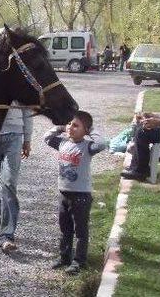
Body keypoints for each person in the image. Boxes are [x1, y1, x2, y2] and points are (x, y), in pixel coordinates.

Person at [44, 111, 108, 275]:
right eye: (70, 124)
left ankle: (79, 261)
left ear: (85, 130)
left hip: (81, 196)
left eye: (76, 125)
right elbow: (46, 138)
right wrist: (58, 128)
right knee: (65, 228)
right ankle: (65, 257)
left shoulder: (87, 147)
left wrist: (91, 129)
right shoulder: (62, 143)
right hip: (64, 194)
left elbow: (102, 143)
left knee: (80, 230)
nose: (71, 128)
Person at [0, 105, 32, 253]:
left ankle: (7, 235)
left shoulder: (23, 81)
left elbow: (27, 109)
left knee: (9, 184)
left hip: (15, 135)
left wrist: (27, 139)